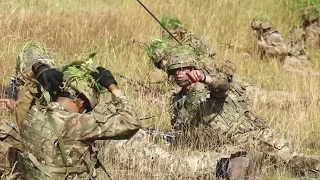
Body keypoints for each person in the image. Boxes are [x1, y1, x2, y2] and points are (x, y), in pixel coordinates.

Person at [167, 51, 320, 177]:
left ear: (192, 69)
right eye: (175, 71)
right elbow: (182, 130)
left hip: (251, 135)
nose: (179, 74)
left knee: (288, 161)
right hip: (227, 147)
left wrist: (205, 79)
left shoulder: (208, 85)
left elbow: (222, 86)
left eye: (183, 69)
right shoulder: (177, 101)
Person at [19, 61, 142, 179]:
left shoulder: (34, 112)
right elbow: (131, 122)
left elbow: (29, 83)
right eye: (86, 109)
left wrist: (41, 69)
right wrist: (113, 87)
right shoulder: (76, 124)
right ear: (81, 103)